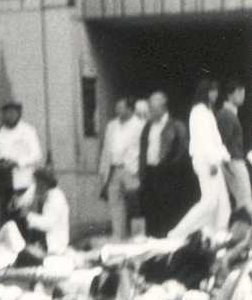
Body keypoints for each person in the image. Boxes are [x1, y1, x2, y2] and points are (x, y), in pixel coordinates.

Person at [173, 77, 231, 239]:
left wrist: (222, 156)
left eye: (216, 91)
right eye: (213, 91)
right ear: (206, 92)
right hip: (206, 161)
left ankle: (215, 234)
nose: (216, 94)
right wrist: (212, 161)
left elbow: (215, 138)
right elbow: (204, 139)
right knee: (210, 202)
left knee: (222, 203)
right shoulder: (199, 112)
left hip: (212, 159)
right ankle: (178, 232)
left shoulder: (206, 111)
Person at [140, 90, 191, 237]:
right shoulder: (147, 126)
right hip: (150, 173)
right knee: (151, 212)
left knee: (168, 212)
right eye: (149, 107)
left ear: (163, 107)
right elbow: (143, 150)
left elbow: (183, 151)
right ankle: (152, 240)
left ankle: (168, 241)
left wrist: (170, 168)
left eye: (153, 107)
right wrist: (142, 172)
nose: (150, 110)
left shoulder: (176, 126)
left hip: (168, 173)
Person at [0, 99, 43, 220]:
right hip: (4, 183)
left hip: (23, 182)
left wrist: (18, 162)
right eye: (7, 112)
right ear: (3, 114)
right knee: (6, 218)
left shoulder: (28, 130)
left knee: (23, 218)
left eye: (13, 112)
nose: (10, 115)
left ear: (19, 113)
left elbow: (37, 154)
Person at [98, 95, 144, 240]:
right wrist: (103, 169)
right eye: (117, 107)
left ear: (130, 109)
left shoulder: (140, 125)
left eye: (121, 107)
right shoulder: (111, 126)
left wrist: (140, 170)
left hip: (131, 169)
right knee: (115, 203)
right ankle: (118, 235)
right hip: (113, 168)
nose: (117, 110)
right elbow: (106, 148)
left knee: (135, 203)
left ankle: (138, 235)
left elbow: (143, 150)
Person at [15, 167, 70, 253]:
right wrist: (17, 203)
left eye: (36, 182)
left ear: (43, 183)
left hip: (54, 245)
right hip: (46, 242)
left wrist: (28, 215)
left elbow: (47, 224)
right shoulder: (47, 192)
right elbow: (26, 197)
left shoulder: (55, 198)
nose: (35, 185)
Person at [223, 79, 250, 215]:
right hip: (233, 162)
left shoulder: (231, 114)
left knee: (243, 201)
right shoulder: (226, 115)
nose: (242, 95)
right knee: (245, 201)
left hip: (234, 161)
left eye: (243, 92)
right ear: (229, 94)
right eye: (238, 92)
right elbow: (223, 142)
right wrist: (227, 165)